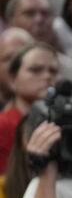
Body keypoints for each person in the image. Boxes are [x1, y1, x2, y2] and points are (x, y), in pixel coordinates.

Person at [0, 43, 59, 173]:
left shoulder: (66, 123)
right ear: (12, 80)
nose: (47, 76)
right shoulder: (2, 126)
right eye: (35, 70)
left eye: (53, 71)